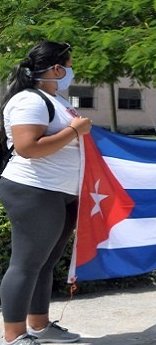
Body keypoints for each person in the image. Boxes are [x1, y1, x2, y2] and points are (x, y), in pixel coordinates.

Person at [0, 41, 92, 345]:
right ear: (56, 68)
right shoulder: (30, 101)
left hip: (59, 191)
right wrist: (76, 131)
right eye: (69, 64)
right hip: (34, 190)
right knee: (26, 264)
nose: (70, 70)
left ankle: (39, 325)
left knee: (45, 262)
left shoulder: (55, 100)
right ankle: (14, 334)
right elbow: (28, 148)